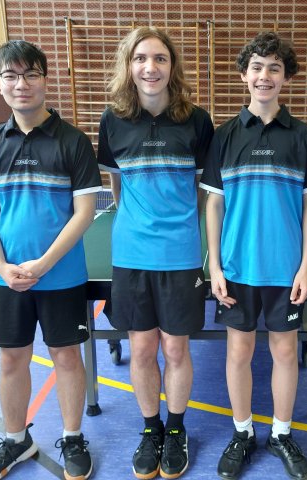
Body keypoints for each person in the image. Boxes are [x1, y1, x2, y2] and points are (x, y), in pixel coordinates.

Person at [0, 40, 101, 480]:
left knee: (66, 356)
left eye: (30, 74)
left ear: (45, 79)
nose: (21, 84)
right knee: (11, 359)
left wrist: (43, 264)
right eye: (11, 76)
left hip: (61, 276)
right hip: (8, 277)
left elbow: (84, 212)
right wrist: (2, 266)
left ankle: (73, 437)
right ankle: (16, 441)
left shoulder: (73, 142)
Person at [200, 32, 307, 480]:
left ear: (285, 77)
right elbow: (214, 203)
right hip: (237, 267)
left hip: (285, 269)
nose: (265, 76)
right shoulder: (225, 135)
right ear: (244, 74)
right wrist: (215, 265)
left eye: (274, 68)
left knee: (286, 352)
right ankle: (242, 432)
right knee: (239, 351)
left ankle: (281, 433)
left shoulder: (302, 135)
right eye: (257, 67)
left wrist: (306, 265)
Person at [96, 27, 214, 479]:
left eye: (160, 58)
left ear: (172, 67)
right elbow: (116, 186)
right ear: (129, 66)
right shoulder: (113, 121)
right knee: (142, 348)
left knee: (176, 348)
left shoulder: (197, 121)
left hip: (180, 255)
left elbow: (202, 190)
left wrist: (181, 227)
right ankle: (151, 429)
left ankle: (177, 429)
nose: (151, 67)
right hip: (131, 255)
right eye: (141, 58)